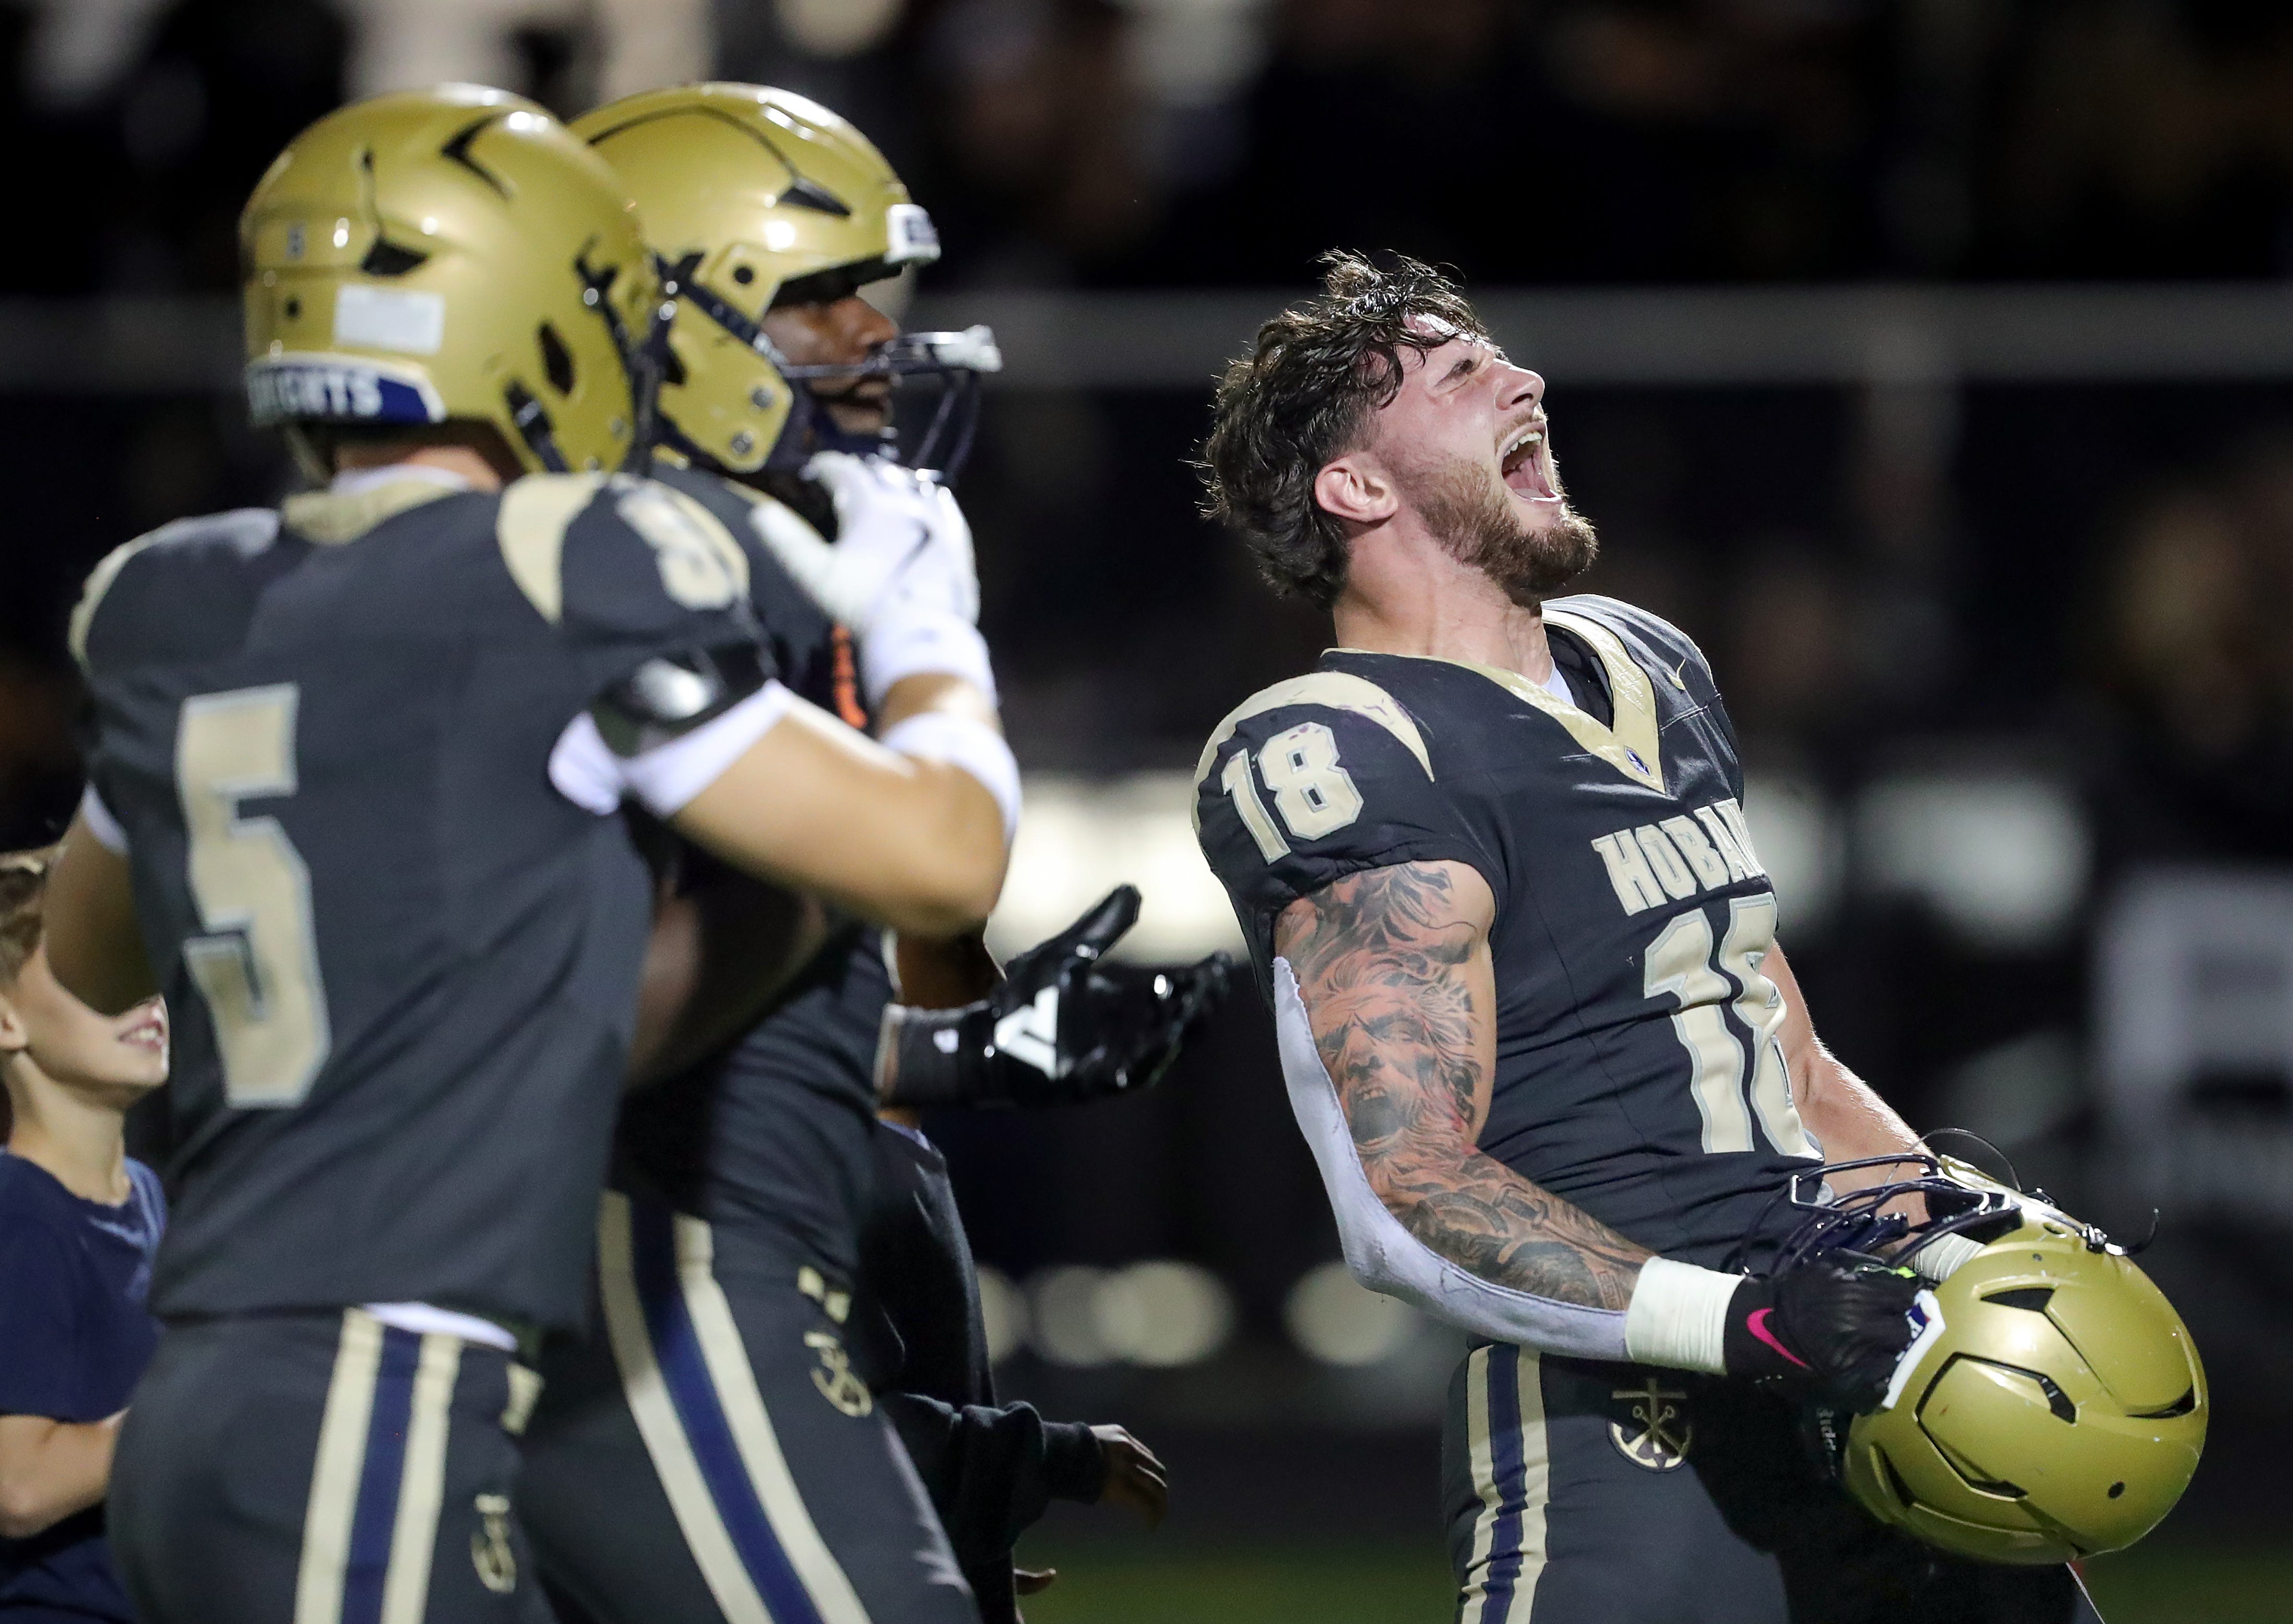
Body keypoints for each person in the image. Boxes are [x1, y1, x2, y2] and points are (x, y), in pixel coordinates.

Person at [40, 85, 1028, 1624]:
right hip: (385, 1379)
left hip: (207, 1395)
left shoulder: (180, 594)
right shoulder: (564, 567)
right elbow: (946, 859)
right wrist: (923, 628)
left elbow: (88, 955)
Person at [1191, 253, 2101, 1623]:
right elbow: (1402, 1193)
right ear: (1357, 488)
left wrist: (1967, 1232)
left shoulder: (1644, 659)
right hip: (1627, 1416)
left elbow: (1775, 1044)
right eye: (1458, 373)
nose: (1524, 379)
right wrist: (1732, 1327)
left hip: (1850, 1351)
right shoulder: (1335, 744)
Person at [517, 84, 1213, 1624]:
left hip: (709, 1233)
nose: (866, 333)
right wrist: (921, 641)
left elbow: (748, 1000)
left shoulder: (735, 577)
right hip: (625, 1272)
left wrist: (961, 1054)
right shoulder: (610, 590)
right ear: (658, 312)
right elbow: (596, 1023)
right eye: (812, 291)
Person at [0, 849, 168, 1624]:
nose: (143, 991)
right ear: (5, 1017)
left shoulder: (148, 1195)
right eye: (96, 968)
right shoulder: (17, 1212)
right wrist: (201, 1407)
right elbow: (18, 1487)